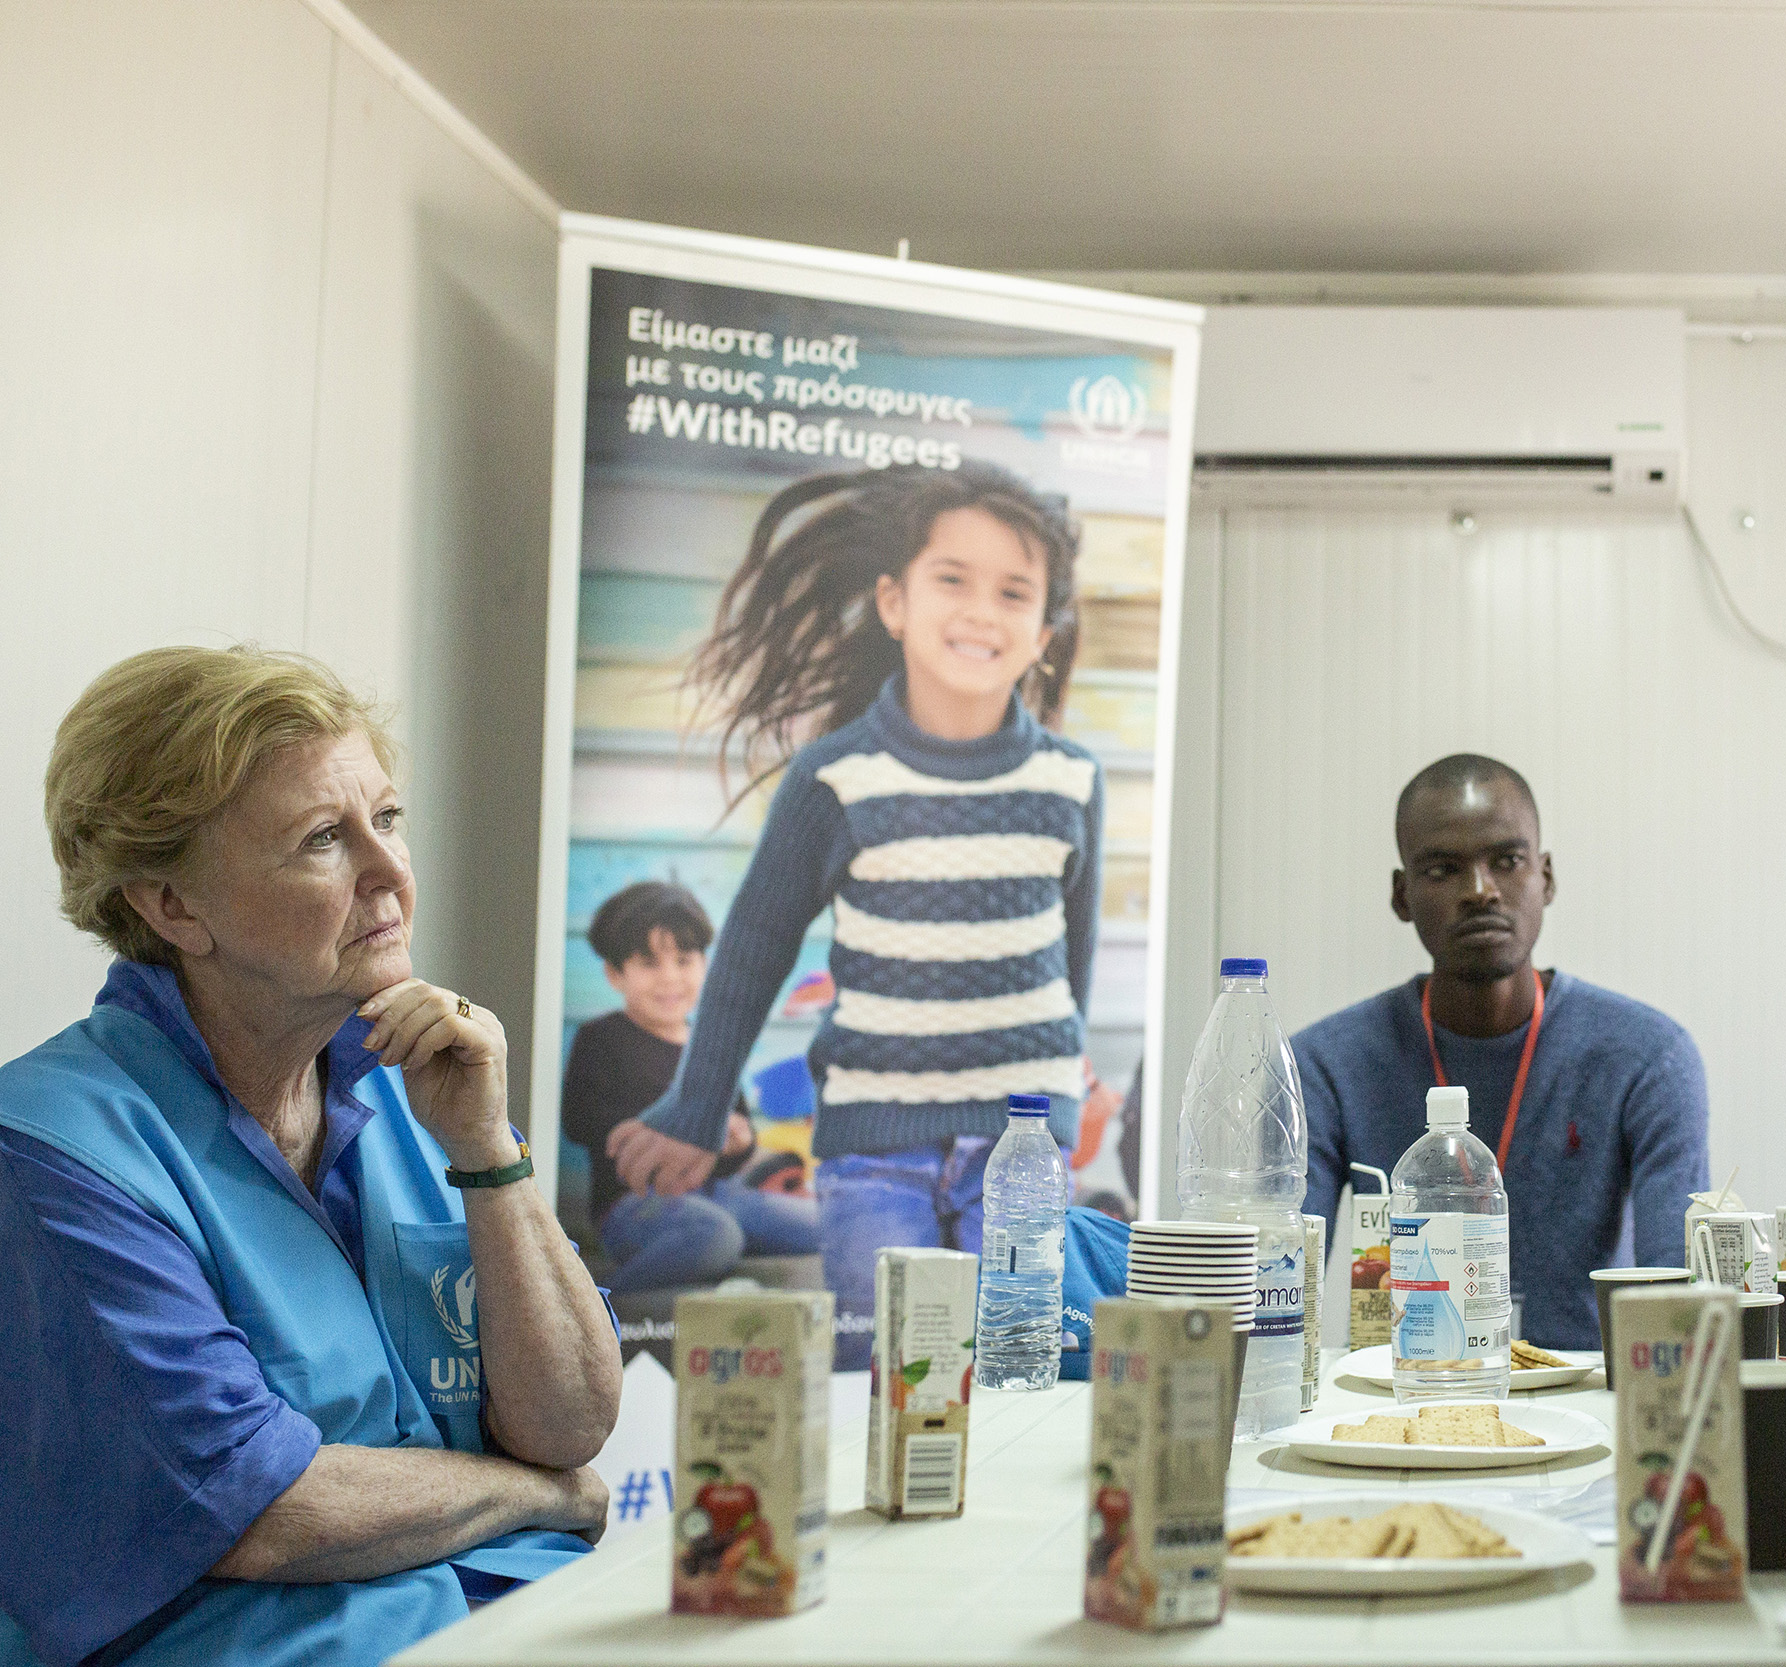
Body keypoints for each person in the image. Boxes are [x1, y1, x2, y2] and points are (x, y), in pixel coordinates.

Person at [0, 646, 619, 1667]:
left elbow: (570, 1423)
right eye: (324, 838)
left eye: (388, 819)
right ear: (172, 906)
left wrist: (487, 1155)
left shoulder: (421, 1085)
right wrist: (529, 1494)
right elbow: (255, 1506)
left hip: (515, 1617)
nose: (390, 872)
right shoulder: (56, 1149)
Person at [606, 462, 1102, 1367]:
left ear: (1042, 633)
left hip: (1023, 1150)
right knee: (887, 1381)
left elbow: (1074, 963)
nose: (981, 612)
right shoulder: (833, 777)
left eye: (1013, 592)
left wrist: (1064, 1101)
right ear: (893, 602)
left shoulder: (1070, 781)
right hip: (876, 1153)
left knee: (1019, 1376)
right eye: (952, 579)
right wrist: (697, 1106)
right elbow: (754, 947)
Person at [1297, 754, 1709, 1352]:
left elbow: (1678, 1304)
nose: (1480, 890)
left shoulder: (1648, 1057)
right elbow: (1276, 1300)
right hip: (1406, 1392)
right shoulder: (1325, 1066)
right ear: (1402, 895)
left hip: (1589, 1395)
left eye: (1507, 862)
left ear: (1547, 877)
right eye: (1443, 870)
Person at [561, 880, 817, 1292]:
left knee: (822, 1225)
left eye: (683, 961)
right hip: (634, 1204)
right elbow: (579, 1121)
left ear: (705, 966)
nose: (670, 978)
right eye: (649, 963)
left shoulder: (712, 1046)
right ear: (615, 974)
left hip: (719, 1194)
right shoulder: (602, 1037)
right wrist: (658, 1130)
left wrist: (740, 1142)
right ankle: (599, 1302)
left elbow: (737, 1136)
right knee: (716, 1236)